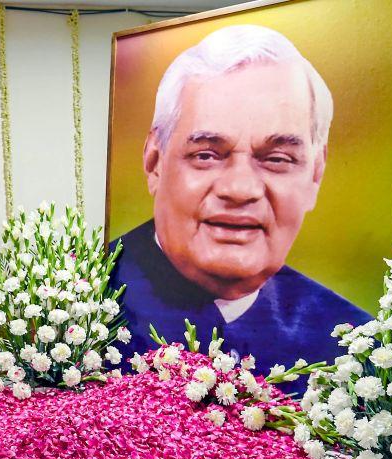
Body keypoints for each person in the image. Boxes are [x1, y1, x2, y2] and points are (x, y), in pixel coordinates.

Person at [110, 25, 372, 393]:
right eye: (206, 155)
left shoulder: (358, 354)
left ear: (315, 175)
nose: (240, 189)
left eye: (278, 159)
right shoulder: (71, 315)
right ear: (155, 163)